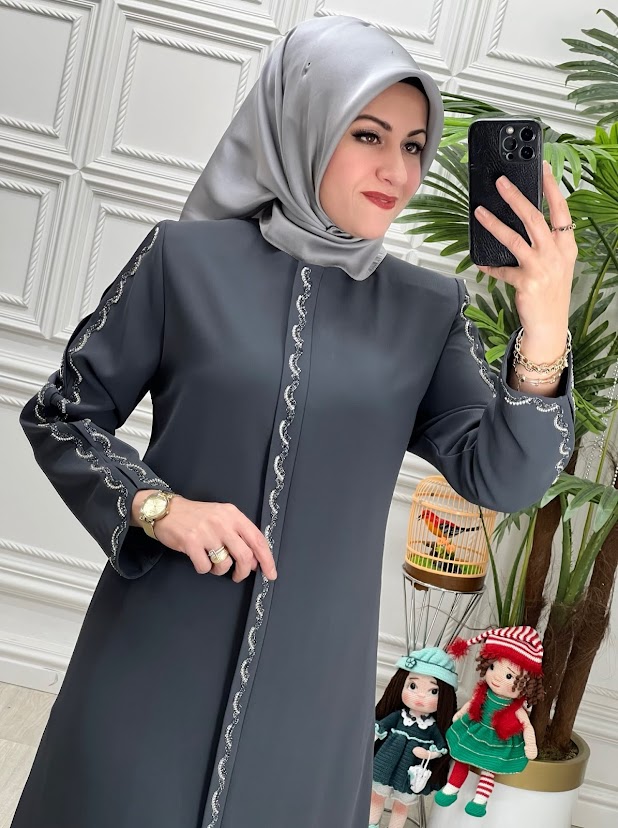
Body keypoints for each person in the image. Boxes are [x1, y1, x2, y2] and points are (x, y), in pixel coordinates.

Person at [12, 14, 576, 828]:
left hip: (314, 688)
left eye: (415, 146)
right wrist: (156, 506)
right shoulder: (186, 261)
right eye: (368, 135)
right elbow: (63, 412)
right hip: (152, 651)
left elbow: (506, 477)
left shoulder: (426, 310)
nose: (397, 171)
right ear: (303, 124)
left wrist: (546, 330)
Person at [371, 648, 458, 828]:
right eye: (413, 686)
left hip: (410, 769)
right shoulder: (399, 716)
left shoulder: (432, 727)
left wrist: (428, 754)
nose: (420, 696)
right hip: (386, 761)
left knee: (402, 804)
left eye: (433, 691)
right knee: (377, 795)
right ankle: (371, 824)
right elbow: (381, 726)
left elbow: (440, 747)